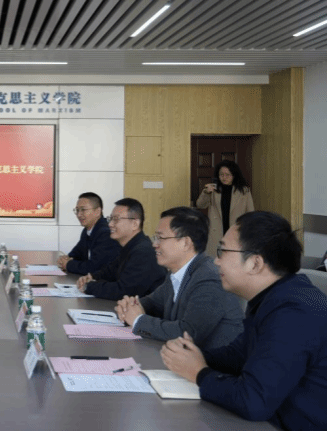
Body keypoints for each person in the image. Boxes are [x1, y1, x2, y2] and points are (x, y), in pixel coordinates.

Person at [161, 211, 327, 430]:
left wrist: (199, 373)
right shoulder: (274, 297)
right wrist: (192, 355)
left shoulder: (294, 312)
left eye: (222, 251)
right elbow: (239, 355)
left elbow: (253, 401)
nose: (216, 261)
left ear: (255, 263)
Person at [115, 207, 243, 350]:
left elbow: (188, 333)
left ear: (185, 243)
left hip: (211, 362)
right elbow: (151, 303)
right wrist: (128, 307)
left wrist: (138, 320)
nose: (154, 244)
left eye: (161, 238)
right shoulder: (177, 273)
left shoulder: (209, 278)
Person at [77, 198, 166, 300]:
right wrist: (92, 277)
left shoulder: (143, 252)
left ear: (135, 224)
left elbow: (123, 291)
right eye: (110, 219)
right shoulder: (130, 246)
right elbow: (110, 271)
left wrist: (88, 286)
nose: (110, 224)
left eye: (116, 219)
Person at [196, 160, 254, 257]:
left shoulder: (244, 191)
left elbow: (250, 213)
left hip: (236, 231)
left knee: (234, 259)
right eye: (221, 174)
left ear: (234, 175)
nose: (224, 177)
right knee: (215, 260)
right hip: (216, 232)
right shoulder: (213, 189)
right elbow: (200, 205)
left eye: (227, 175)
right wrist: (206, 192)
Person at [57, 192, 120, 275]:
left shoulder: (106, 233)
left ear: (97, 211)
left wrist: (68, 265)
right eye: (77, 210)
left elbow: (96, 267)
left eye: (83, 210)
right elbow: (76, 254)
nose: (79, 214)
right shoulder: (87, 230)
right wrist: (65, 259)